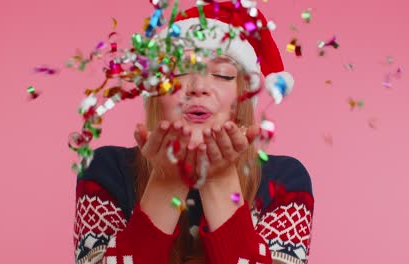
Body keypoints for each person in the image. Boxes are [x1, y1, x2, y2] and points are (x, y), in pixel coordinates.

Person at [73, 2, 314, 264]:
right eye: (180, 71)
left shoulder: (284, 182)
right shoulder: (107, 170)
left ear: (244, 97)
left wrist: (219, 179)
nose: (198, 86)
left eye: (222, 75)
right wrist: (165, 183)